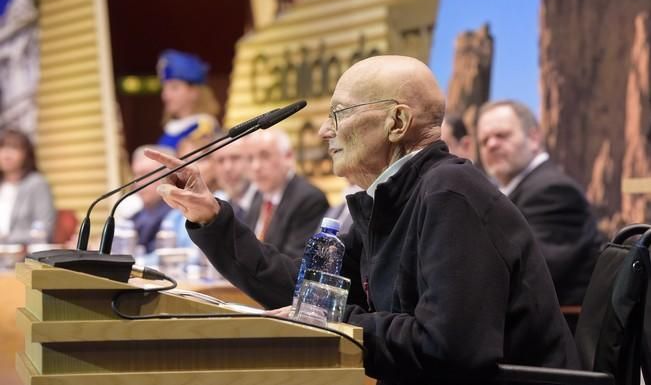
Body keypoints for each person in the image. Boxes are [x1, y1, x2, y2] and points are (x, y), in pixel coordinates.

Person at [146, 55, 579, 384]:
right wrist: (214, 220)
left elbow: (450, 350)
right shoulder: (393, 196)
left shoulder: (450, 196)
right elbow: (310, 294)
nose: (324, 132)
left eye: (339, 113)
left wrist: (333, 322)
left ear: (397, 121)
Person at [476, 100, 602, 308]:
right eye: (484, 141)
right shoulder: (508, 192)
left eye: (502, 135)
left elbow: (528, 276)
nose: (491, 145)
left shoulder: (553, 191)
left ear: (534, 138)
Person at [241, 129, 329, 258]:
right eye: (250, 159)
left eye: (264, 156)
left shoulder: (309, 199)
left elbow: (293, 261)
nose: (256, 166)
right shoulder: (258, 197)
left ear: (288, 157)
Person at [0, 129, 56, 244]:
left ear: (26, 154)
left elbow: (42, 231)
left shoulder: (37, 184)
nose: (6, 154)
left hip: (21, 257)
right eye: (2, 148)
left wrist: (6, 239)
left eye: (14, 148)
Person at [157, 49, 221, 149]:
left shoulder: (203, 128)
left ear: (194, 92)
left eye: (174, 88)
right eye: (164, 88)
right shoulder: (171, 129)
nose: (165, 95)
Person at [128, 145, 175, 252]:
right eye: (135, 175)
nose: (138, 182)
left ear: (169, 176)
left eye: (145, 175)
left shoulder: (178, 217)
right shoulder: (135, 217)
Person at [212, 137, 257, 221]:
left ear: (250, 160)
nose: (227, 168)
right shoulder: (218, 208)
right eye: (220, 160)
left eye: (235, 158)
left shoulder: (267, 202)